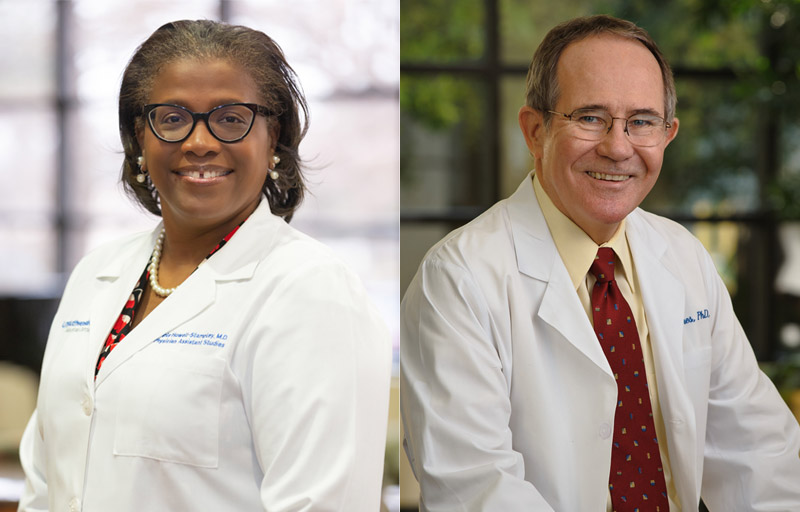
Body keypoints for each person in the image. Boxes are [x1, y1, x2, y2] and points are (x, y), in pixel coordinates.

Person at [400, 14, 800, 511]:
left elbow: (761, 456)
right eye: (590, 117)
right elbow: (476, 489)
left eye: (642, 122)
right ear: (534, 130)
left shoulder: (684, 258)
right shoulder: (458, 278)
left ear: (667, 134)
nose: (617, 147)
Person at [18, 20, 391, 512]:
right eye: (172, 118)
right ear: (139, 135)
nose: (199, 142)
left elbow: (319, 503)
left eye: (230, 118)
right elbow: (46, 480)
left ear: (272, 134)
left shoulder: (310, 291)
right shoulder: (96, 273)